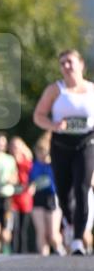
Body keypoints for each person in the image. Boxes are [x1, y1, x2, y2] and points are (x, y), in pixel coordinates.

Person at [33, 49, 94, 256]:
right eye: (62, 63)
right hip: (60, 145)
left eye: (70, 62)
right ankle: (69, 222)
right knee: (63, 191)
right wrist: (53, 124)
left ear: (81, 64)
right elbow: (38, 116)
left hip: (86, 142)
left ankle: (77, 239)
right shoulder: (55, 90)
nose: (66, 67)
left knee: (82, 188)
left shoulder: (92, 90)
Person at [28, 134, 63, 256]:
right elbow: (30, 182)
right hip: (38, 198)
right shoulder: (33, 166)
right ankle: (43, 260)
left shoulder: (53, 165)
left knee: (53, 234)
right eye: (38, 152)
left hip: (52, 198)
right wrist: (30, 187)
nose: (41, 155)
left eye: (43, 152)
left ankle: (60, 249)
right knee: (41, 232)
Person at [9, 136, 34, 254]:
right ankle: (13, 251)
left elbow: (33, 177)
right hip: (11, 199)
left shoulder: (27, 162)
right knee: (15, 227)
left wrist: (32, 186)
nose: (15, 148)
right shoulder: (8, 161)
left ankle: (23, 252)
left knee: (24, 228)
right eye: (13, 146)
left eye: (17, 145)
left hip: (25, 198)